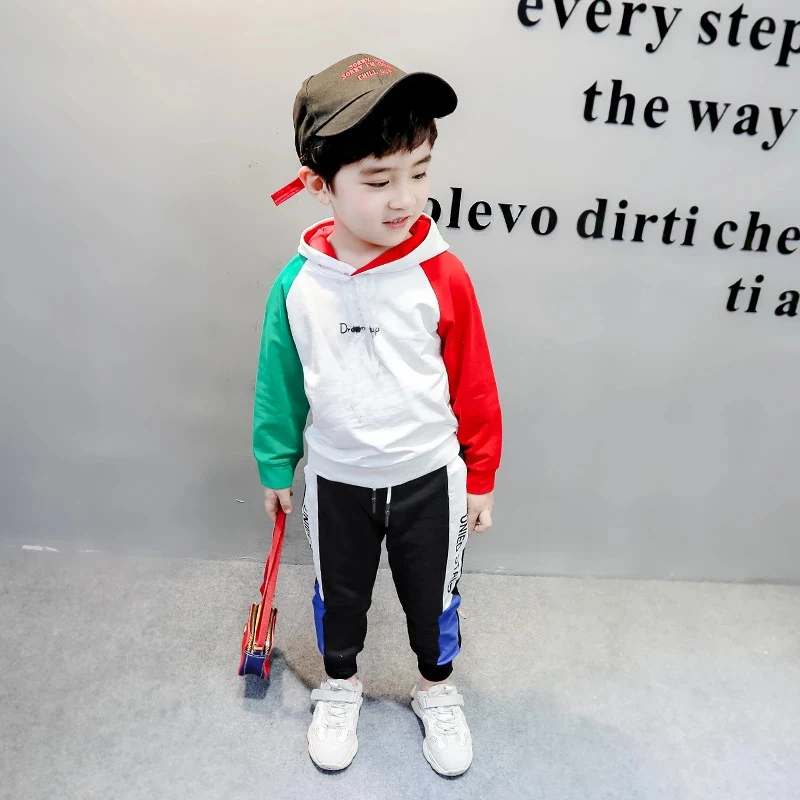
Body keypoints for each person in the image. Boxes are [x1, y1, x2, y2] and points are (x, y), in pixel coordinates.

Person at [253, 53, 502, 777]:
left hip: (429, 476)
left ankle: (436, 689)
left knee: (434, 600)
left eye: (420, 173)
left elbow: (474, 381)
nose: (405, 199)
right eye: (378, 179)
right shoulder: (298, 285)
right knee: (340, 596)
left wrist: (481, 475)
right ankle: (340, 686)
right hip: (337, 479)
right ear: (317, 184)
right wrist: (275, 464)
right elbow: (279, 384)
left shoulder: (442, 273)